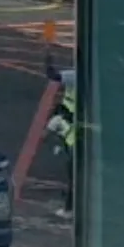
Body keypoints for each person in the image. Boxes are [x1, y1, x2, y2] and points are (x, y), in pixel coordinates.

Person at [45, 60, 79, 219]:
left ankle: (69, 209)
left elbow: (53, 75)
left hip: (73, 134)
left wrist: (47, 59)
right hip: (74, 130)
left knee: (73, 175)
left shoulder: (74, 76)